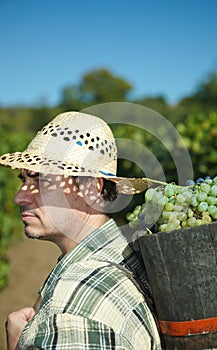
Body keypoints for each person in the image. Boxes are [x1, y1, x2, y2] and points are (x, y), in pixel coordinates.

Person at [1, 111, 161, 349]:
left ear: (92, 189)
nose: (19, 196)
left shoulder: (71, 315)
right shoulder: (125, 253)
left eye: (40, 180)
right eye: (23, 180)